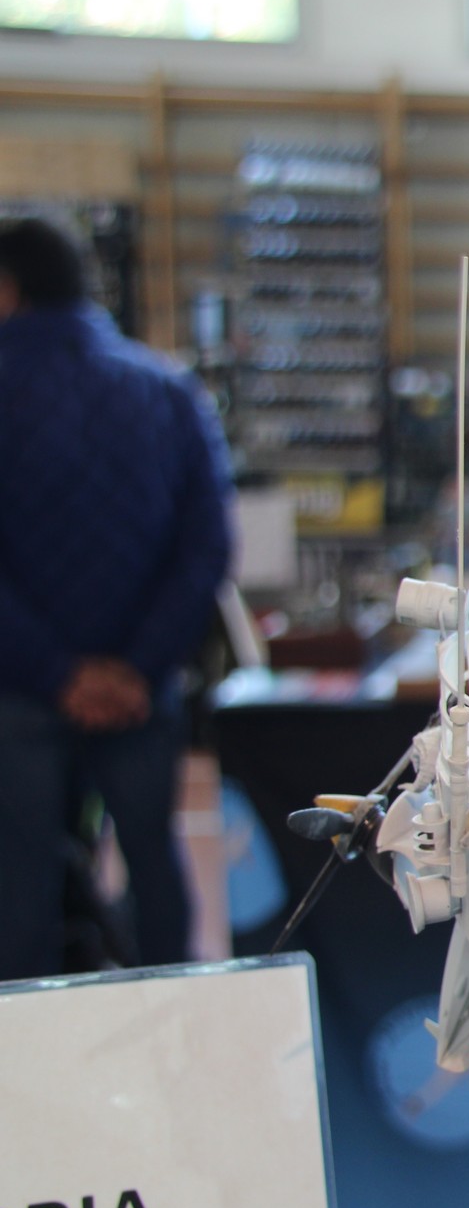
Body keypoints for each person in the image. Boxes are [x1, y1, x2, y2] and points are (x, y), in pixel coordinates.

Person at [0, 218, 233, 981]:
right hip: (142, 691)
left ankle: (27, 1042)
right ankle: (172, 1020)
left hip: (21, 690)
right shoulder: (167, 390)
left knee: (21, 886)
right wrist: (138, 665)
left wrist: (56, 671)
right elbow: (207, 548)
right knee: (155, 868)